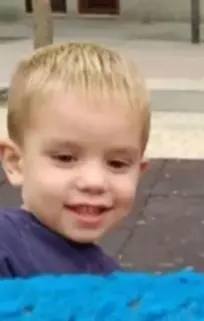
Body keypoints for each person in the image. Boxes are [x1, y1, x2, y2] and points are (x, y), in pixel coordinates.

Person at [0, 42, 150, 278]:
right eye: (66, 158)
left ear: (139, 171)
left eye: (117, 164)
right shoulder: (5, 246)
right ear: (15, 162)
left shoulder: (112, 280)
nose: (94, 182)